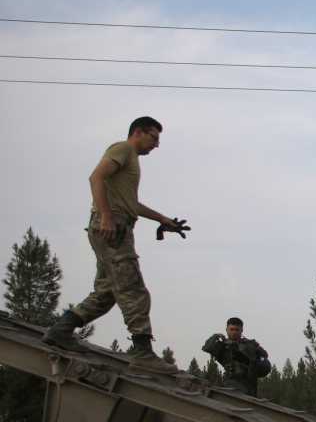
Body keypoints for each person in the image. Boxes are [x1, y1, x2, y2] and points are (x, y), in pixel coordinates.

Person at [43, 116, 190, 370]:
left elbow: (131, 202)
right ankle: (142, 352)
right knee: (133, 287)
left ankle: (61, 330)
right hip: (112, 229)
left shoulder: (130, 160)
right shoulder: (122, 149)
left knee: (107, 292)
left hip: (113, 227)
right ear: (138, 132)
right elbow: (95, 178)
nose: (156, 145)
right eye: (153, 137)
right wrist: (107, 217)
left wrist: (164, 219)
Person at [202, 317, 271, 397]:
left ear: (241, 330)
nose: (234, 332)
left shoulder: (250, 345)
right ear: (227, 330)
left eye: (237, 330)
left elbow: (264, 358)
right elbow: (207, 348)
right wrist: (216, 336)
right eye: (231, 329)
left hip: (249, 383)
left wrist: (252, 362)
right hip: (231, 382)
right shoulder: (223, 346)